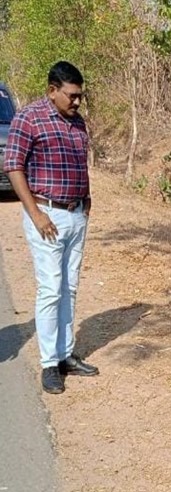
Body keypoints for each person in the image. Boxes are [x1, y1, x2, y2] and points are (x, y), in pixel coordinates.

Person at [3, 61, 98, 395]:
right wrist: (35, 214)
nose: (76, 102)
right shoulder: (29, 118)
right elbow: (13, 166)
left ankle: (66, 354)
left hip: (76, 215)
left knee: (70, 287)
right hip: (47, 216)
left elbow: (79, 166)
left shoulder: (77, 122)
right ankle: (49, 364)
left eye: (79, 96)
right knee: (50, 288)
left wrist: (86, 202)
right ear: (52, 90)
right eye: (71, 96)